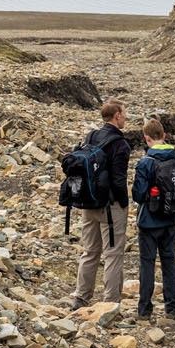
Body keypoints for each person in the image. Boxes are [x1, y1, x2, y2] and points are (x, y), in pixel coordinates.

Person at [68, 99, 131, 310]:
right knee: (113, 254)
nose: (126, 117)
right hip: (110, 207)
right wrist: (124, 203)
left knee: (90, 251)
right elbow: (119, 180)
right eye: (124, 113)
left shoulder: (91, 136)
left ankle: (81, 297)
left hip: (87, 202)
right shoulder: (121, 144)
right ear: (117, 116)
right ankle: (111, 301)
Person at [131, 117, 175, 319]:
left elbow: (138, 195)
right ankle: (173, 308)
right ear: (164, 135)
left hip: (148, 220)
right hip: (171, 218)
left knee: (147, 263)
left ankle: (145, 309)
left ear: (146, 138)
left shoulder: (146, 162)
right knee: (169, 261)